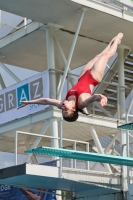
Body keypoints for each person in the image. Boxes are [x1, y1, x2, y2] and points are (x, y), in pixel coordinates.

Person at [19, 33, 123, 122]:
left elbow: (46, 101)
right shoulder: (81, 103)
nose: (63, 108)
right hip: (93, 77)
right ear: (73, 109)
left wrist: (29, 102)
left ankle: (113, 41)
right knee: (105, 56)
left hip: (82, 77)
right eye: (66, 110)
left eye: (62, 111)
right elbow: (93, 98)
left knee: (97, 56)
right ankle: (117, 41)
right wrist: (102, 97)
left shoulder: (62, 103)